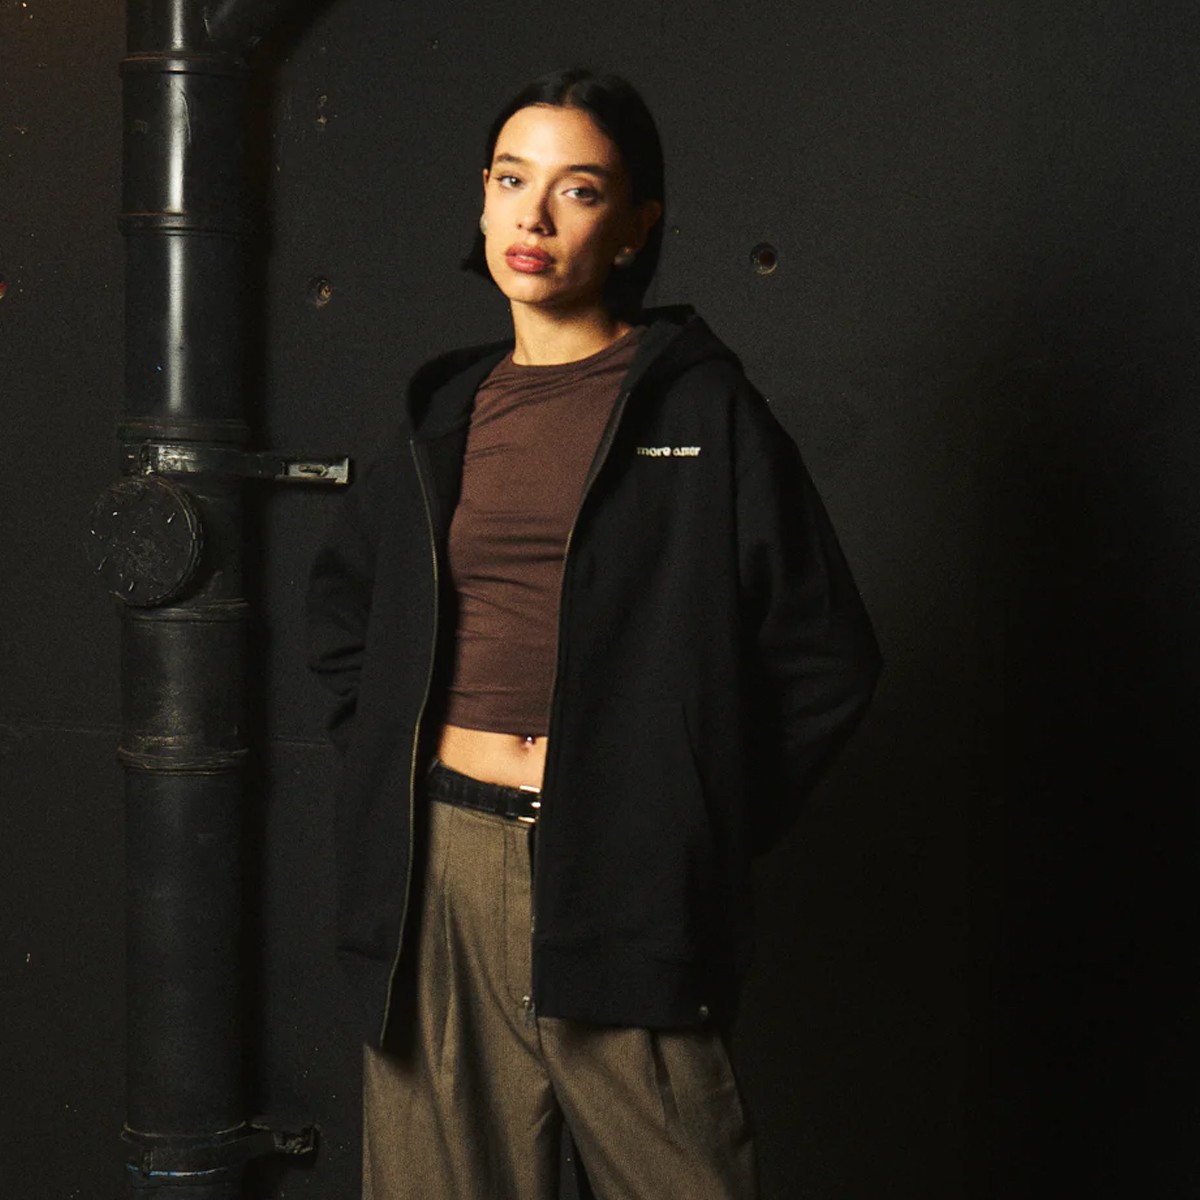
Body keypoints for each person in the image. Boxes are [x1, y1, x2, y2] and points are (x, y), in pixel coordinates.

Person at [306, 67, 881, 1200]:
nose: (533, 215)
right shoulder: (446, 416)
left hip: (624, 874)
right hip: (441, 864)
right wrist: (389, 769)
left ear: (633, 227)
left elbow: (826, 652)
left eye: (577, 189)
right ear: (482, 201)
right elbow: (344, 619)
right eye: (511, 180)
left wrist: (689, 810)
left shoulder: (700, 407)